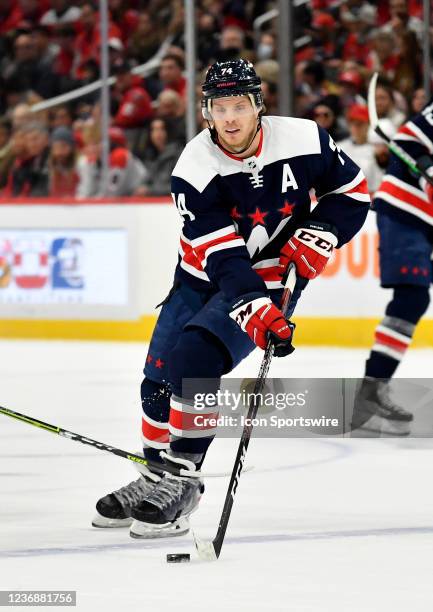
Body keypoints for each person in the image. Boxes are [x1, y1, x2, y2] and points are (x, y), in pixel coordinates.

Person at [92, 59, 370, 538]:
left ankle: (183, 478)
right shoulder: (194, 169)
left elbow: (352, 190)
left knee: (195, 359)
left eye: (240, 105)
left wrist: (322, 231)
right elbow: (223, 257)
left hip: (272, 276)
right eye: (220, 108)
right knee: (157, 382)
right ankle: (155, 474)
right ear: (206, 112)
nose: (231, 118)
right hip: (202, 277)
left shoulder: (305, 138)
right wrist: (254, 308)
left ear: (258, 105)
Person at [352, 96, 433, 435]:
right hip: (405, 211)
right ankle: (371, 392)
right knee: (412, 298)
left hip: (424, 218)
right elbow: (409, 139)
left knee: (413, 299)